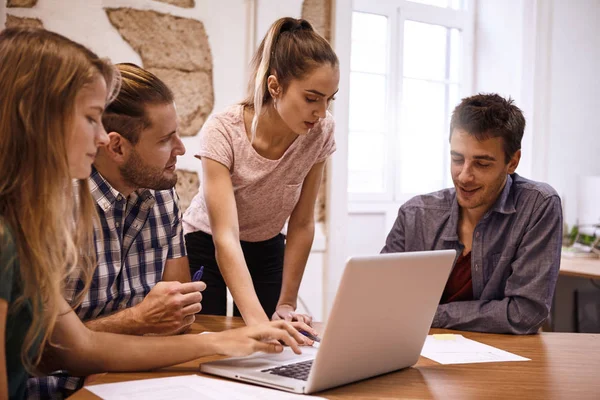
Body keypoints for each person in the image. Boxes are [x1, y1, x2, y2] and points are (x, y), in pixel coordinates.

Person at [0, 27, 308, 400]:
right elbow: (52, 354)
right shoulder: (14, 235)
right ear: (37, 122)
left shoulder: (28, 220)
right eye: (90, 118)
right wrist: (206, 337)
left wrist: (229, 341)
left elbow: (80, 345)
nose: (100, 137)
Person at [27, 63, 203, 399]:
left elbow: (178, 316)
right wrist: (136, 320)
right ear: (117, 147)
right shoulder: (52, 208)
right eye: (166, 140)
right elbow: (37, 353)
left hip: (137, 379)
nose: (181, 149)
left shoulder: (162, 194)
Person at [183, 17, 339, 326]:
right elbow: (225, 235)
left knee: (269, 342)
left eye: (329, 99)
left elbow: (303, 222)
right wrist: (257, 323)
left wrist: (286, 303)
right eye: (311, 98)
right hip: (208, 240)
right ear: (275, 86)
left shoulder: (320, 131)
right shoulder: (222, 131)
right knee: (211, 339)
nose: (321, 112)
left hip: (267, 244)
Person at [381, 93, 563, 335]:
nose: (464, 176)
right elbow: (382, 300)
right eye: (457, 159)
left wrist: (429, 315)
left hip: (503, 362)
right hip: (417, 355)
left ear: (513, 162)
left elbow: (525, 313)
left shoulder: (538, 206)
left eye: (482, 163)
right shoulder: (415, 214)